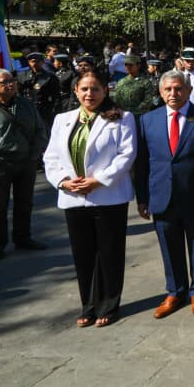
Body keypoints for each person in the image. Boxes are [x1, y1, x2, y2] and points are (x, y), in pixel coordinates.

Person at [43, 72, 136, 327]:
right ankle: (88, 306)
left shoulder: (123, 118)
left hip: (108, 196)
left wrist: (99, 180)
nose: (89, 94)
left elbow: (126, 155)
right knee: (82, 255)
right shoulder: (62, 120)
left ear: (105, 91)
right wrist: (63, 181)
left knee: (109, 253)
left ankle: (109, 304)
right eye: (84, 89)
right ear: (75, 91)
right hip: (73, 196)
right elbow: (51, 157)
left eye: (95, 89)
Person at [134, 70, 194, 318]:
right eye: (168, 89)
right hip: (161, 195)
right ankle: (175, 291)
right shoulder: (147, 120)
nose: (173, 93)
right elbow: (142, 163)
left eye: (179, 88)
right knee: (169, 247)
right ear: (161, 92)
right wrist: (142, 198)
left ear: (189, 91)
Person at [0, 69, 49, 258]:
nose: (10, 85)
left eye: (11, 80)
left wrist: (34, 155)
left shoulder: (26, 104)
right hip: (1, 164)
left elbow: (40, 130)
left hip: (26, 162)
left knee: (25, 202)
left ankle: (23, 237)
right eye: (4, 82)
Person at [17, 52, 60, 127]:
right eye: (33, 61)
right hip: (26, 109)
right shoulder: (22, 76)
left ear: (42, 62)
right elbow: (19, 92)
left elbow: (55, 96)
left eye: (38, 61)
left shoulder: (50, 77)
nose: (35, 63)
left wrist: (52, 110)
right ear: (29, 62)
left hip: (43, 110)